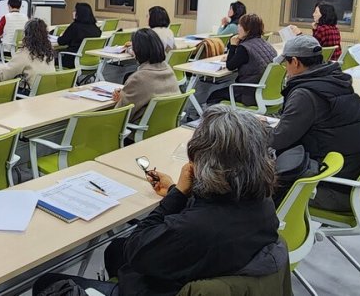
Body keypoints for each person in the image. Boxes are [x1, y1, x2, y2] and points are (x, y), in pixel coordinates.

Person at [33, 105, 283, 296]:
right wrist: (178, 189)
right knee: (113, 249)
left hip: (164, 286)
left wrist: (175, 197)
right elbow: (212, 216)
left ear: (201, 164)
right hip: (214, 266)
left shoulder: (190, 229)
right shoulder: (262, 201)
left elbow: (136, 246)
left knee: (47, 283)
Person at [270, 35, 360, 210]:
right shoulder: (337, 80)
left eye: (285, 64)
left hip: (329, 189)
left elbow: (277, 139)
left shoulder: (305, 93)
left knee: (253, 192)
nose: (286, 69)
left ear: (295, 62)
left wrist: (253, 128)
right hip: (352, 180)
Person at [207, 14, 277, 106]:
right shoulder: (266, 44)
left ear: (247, 29)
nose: (238, 28)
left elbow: (230, 66)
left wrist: (233, 45)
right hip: (266, 93)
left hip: (248, 95)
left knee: (214, 95)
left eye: (240, 25)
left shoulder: (245, 48)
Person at [113, 28, 180, 123]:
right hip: (165, 129)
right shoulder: (169, 69)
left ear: (137, 51)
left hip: (139, 133)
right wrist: (125, 93)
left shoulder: (138, 78)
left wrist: (121, 99)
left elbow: (119, 115)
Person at [0, 18, 55, 90]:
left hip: (30, 96)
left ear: (26, 34)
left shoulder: (24, 53)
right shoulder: (49, 52)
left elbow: (3, 76)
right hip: (48, 92)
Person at [57, 2, 101, 69]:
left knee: (51, 60)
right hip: (93, 61)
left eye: (75, 11)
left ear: (79, 13)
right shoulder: (96, 29)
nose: (73, 12)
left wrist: (62, 35)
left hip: (72, 59)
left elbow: (61, 42)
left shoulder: (75, 26)